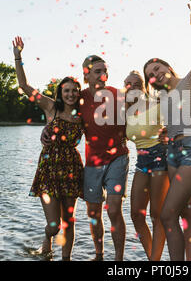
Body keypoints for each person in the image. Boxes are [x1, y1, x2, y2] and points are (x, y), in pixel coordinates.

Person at [41, 55, 129, 261]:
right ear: (86, 74)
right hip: (92, 163)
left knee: (114, 209)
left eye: (105, 70)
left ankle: (119, 260)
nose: (103, 75)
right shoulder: (79, 97)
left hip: (118, 158)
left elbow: (142, 114)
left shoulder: (118, 95)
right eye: (98, 71)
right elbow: (60, 111)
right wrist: (47, 127)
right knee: (93, 213)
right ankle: (99, 256)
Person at [142, 0, 191, 261]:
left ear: (167, 67)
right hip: (173, 152)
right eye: (151, 73)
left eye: (157, 68)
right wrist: (164, 132)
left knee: (167, 214)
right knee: (186, 214)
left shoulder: (190, 81)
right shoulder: (161, 100)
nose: (155, 74)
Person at [12, 36, 83, 261]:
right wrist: (18, 56)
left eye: (74, 90)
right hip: (49, 169)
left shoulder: (82, 117)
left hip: (72, 169)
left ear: (79, 93)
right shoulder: (51, 107)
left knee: (69, 222)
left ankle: (66, 259)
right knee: (54, 225)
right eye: (67, 90)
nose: (70, 94)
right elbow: (24, 86)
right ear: (60, 92)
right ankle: (47, 238)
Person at [124, 70, 169, 261]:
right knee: (136, 214)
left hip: (161, 158)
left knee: (156, 214)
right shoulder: (124, 111)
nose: (132, 87)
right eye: (128, 84)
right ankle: (153, 257)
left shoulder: (157, 104)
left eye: (137, 84)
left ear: (144, 87)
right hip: (141, 162)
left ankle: (155, 261)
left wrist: (169, 131)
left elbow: (181, 119)